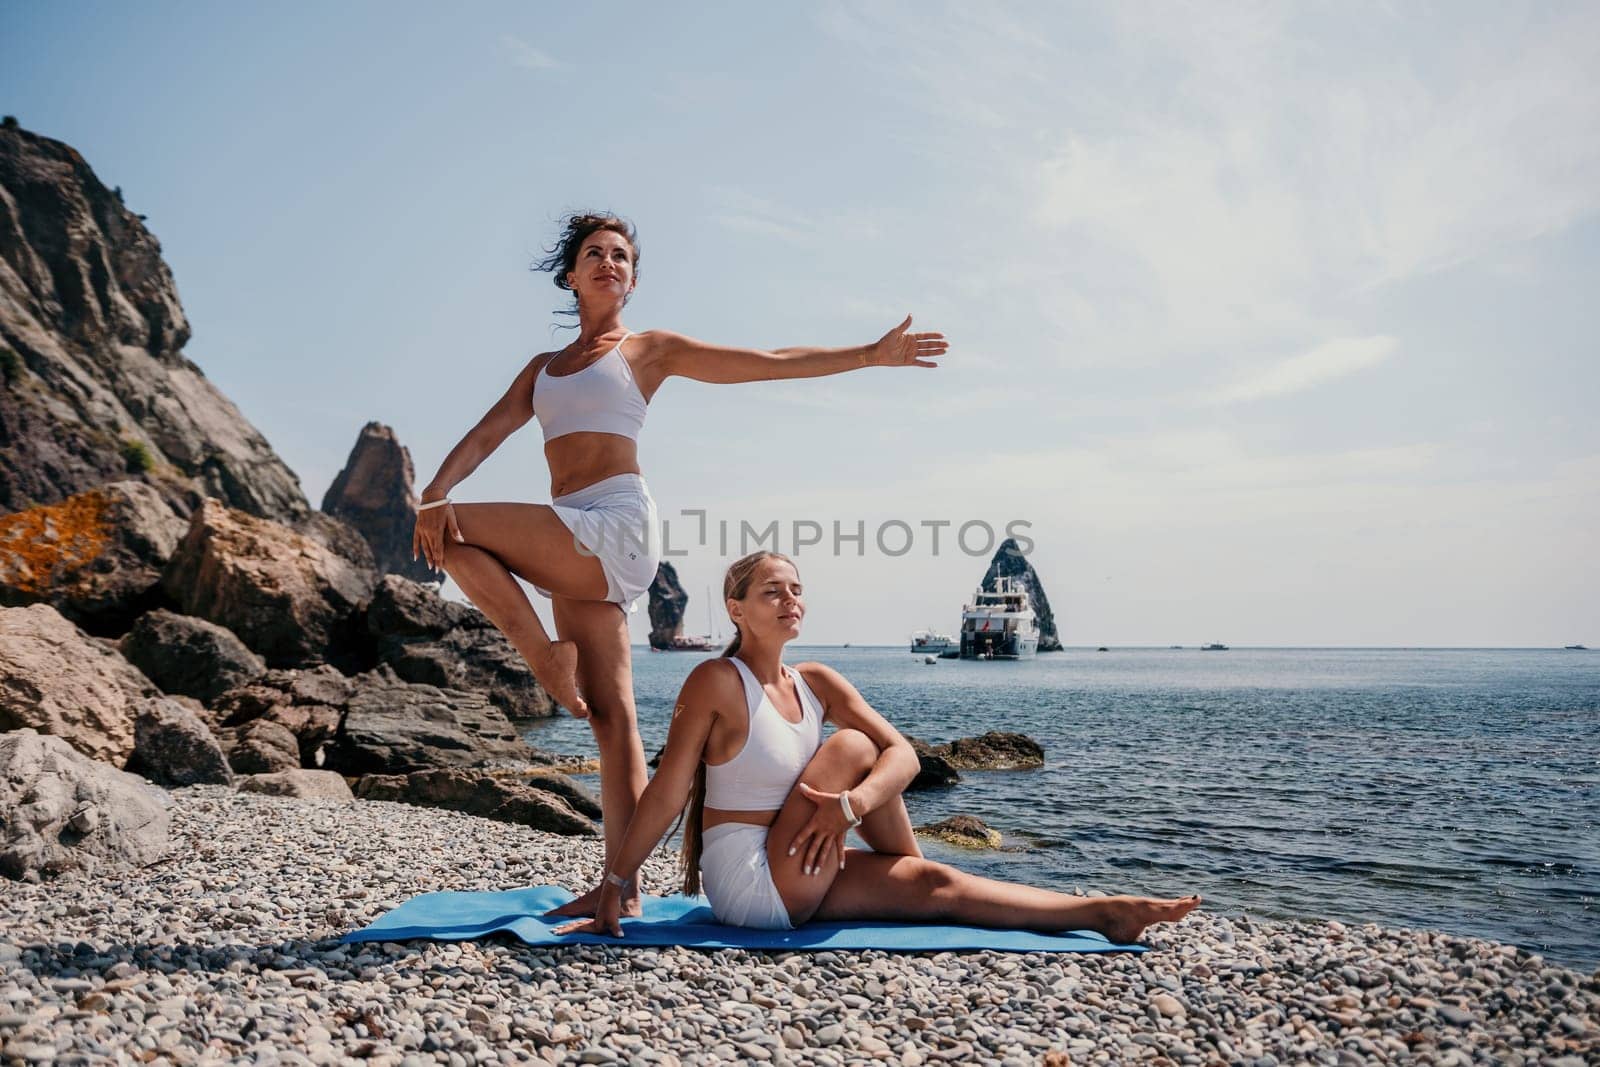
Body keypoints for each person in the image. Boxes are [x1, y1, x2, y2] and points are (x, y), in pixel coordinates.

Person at [411, 213, 949, 917]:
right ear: (570, 276)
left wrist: (868, 355)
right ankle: (621, 887)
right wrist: (432, 490)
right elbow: (486, 433)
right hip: (573, 539)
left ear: (632, 280)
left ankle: (543, 657)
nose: (609, 263)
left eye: (621, 257)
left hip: (615, 525)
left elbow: (766, 361)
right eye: (594, 254)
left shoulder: (648, 350)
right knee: (613, 722)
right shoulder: (540, 372)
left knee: (452, 530)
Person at [555, 551, 1202, 942]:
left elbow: (910, 757)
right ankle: (905, 877)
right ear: (737, 608)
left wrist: (850, 808)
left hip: (801, 853)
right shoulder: (717, 681)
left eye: (797, 588)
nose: (790, 598)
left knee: (938, 880)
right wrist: (615, 883)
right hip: (749, 878)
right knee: (854, 744)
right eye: (772, 590)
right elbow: (669, 790)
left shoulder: (817, 681)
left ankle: (1101, 912)